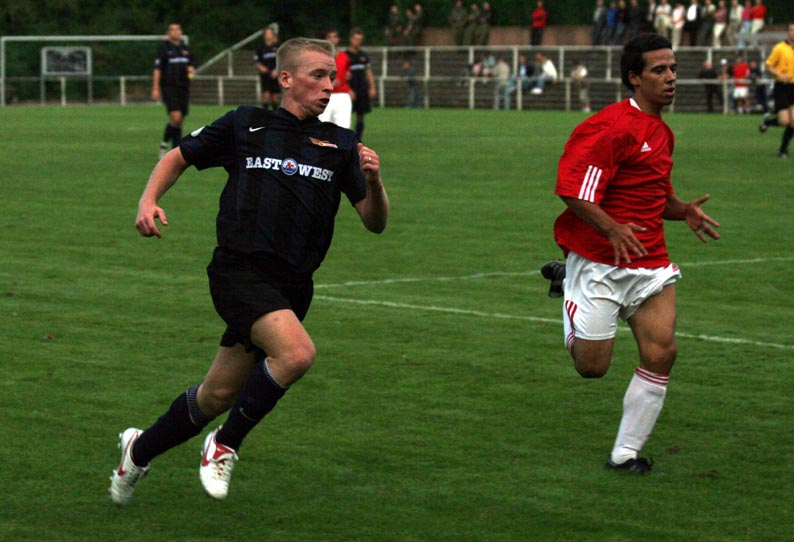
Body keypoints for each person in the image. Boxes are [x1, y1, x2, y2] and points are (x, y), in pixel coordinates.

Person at [109, 37, 389, 506]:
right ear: (286, 78)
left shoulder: (342, 144)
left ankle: (137, 451)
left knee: (217, 395)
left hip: (292, 286)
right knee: (296, 354)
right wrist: (148, 199)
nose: (328, 86)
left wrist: (375, 183)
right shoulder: (246, 123)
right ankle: (224, 445)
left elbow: (375, 222)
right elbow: (179, 156)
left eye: (332, 77)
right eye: (318, 76)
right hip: (238, 272)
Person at [541, 33, 720, 474]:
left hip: (650, 261)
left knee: (662, 352)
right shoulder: (611, 127)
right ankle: (567, 280)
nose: (671, 77)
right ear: (634, 78)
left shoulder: (662, 133)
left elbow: (654, 197)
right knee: (592, 368)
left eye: (673, 68)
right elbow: (573, 190)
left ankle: (625, 455)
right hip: (600, 262)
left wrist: (684, 210)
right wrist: (611, 227)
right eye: (659, 70)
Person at [152, 23, 195, 160]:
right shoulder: (164, 48)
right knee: (176, 117)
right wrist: (155, 88)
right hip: (169, 87)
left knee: (180, 120)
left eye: (178, 29)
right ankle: (167, 145)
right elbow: (157, 69)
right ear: (168, 33)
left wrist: (191, 70)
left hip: (184, 88)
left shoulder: (185, 48)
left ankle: (174, 149)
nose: (176, 32)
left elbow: (191, 66)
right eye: (172, 30)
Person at [758, 23, 794, 158]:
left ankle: (782, 150)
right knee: (784, 121)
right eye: (791, 30)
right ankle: (767, 121)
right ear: (788, 32)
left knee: (793, 121)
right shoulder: (779, 48)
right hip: (782, 87)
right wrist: (780, 75)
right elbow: (769, 65)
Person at [318, 29, 353, 129]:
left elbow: (347, 74)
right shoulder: (319, 57)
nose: (332, 39)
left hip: (341, 95)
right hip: (325, 95)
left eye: (334, 37)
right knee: (323, 129)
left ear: (338, 39)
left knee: (343, 128)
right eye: (329, 37)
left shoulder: (344, 57)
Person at [347, 28, 377, 140]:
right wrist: (347, 89)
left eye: (360, 39)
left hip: (362, 88)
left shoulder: (363, 55)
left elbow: (368, 71)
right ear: (351, 39)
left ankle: (358, 138)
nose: (358, 42)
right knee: (346, 113)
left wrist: (372, 87)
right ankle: (346, 137)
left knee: (361, 114)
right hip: (350, 89)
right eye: (356, 39)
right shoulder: (345, 55)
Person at [254, 24, 280, 110]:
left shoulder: (277, 46)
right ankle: (265, 112)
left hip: (275, 73)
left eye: (269, 33)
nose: (268, 35)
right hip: (265, 74)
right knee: (266, 93)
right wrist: (261, 68)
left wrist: (276, 70)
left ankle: (275, 113)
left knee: (275, 95)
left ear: (272, 35)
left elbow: (281, 59)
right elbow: (257, 61)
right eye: (266, 33)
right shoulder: (261, 47)